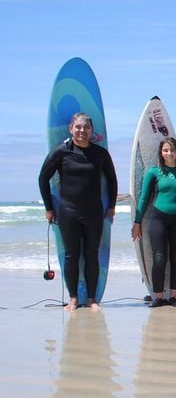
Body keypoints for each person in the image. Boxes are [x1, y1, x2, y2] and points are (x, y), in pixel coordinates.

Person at [38, 112, 118, 311]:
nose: (82, 131)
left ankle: (92, 299)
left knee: (92, 254)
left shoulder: (100, 154)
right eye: (78, 127)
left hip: (94, 212)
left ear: (91, 131)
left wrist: (112, 206)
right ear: (71, 129)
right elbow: (42, 178)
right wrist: (49, 207)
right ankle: (73, 298)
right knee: (71, 255)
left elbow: (112, 180)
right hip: (68, 211)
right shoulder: (61, 152)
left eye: (86, 127)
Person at [132, 137, 176, 307]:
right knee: (159, 258)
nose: (169, 153)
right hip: (158, 219)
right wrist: (137, 222)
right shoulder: (154, 172)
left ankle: (173, 297)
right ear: (161, 152)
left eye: (172, 150)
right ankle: (158, 297)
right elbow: (143, 198)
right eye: (166, 150)